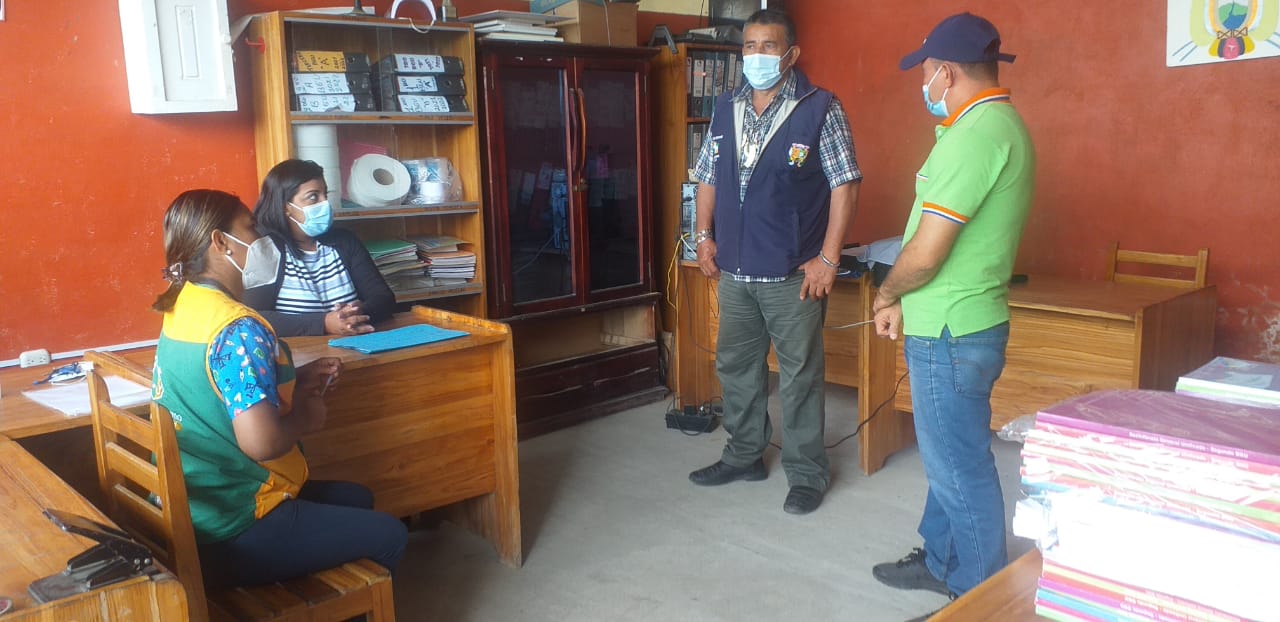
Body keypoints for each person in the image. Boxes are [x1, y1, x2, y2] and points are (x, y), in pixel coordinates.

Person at [151, 189, 407, 587]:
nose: (261, 238)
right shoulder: (238, 327)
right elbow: (262, 443)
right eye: (250, 227)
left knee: (356, 498)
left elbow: (222, 387)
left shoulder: (185, 305)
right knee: (391, 535)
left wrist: (293, 380)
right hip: (234, 522)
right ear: (221, 243)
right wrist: (305, 417)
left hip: (195, 504)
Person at [868, 13, 1035, 619]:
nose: (925, 84)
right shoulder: (989, 125)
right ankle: (941, 561)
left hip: (951, 330)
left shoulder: (976, 136)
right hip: (958, 323)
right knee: (948, 454)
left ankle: (980, 600)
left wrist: (886, 293)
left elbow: (929, 250)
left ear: (946, 72)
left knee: (959, 467)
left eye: (927, 73)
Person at [687, 9, 861, 515]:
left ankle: (806, 474)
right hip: (735, 272)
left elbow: (845, 184)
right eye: (749, 46)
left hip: (792, 276)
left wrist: (829, 258)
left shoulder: (819, 107)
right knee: (736, 367)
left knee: (800, 377)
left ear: (791, 54)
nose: (756, 55)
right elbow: (706, 176)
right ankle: (744, 455)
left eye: (768, 46)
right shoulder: (726, 107)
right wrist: (703, 236)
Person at [243, 159, 396, 337]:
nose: (325, 203)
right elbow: (254, 317)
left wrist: (357, 312)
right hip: (302, 353)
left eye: (325, 195)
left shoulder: (345, 241)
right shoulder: (265, 250)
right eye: (313, 196)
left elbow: (384, 298)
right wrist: (323, 323)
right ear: (286, 207)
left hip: (355, 345)